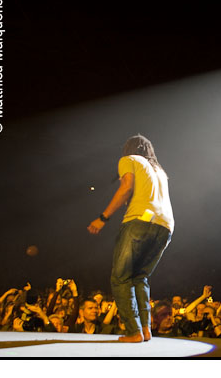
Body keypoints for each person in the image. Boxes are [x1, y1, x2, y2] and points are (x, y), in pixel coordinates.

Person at [88, 134, 175, 343]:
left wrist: (103, 218)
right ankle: (145, 330)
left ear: (129, 148)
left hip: (140, 221)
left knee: (120, 277)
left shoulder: (129, 159)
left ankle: (133, 331)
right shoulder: (160, 171)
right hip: (166, 226)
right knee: (140, 277)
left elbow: (126, 187)